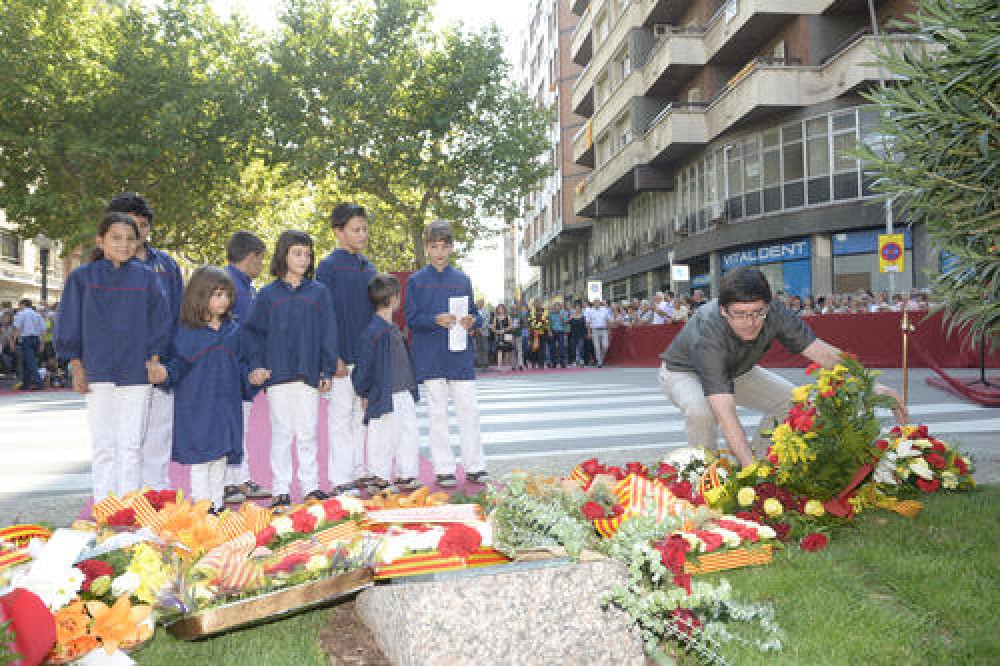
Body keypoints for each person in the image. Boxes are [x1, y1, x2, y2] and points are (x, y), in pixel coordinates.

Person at [657, 267, 908, 468]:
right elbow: (725, 412)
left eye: (757, 312)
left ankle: (765, 463)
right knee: (703, 410)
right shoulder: (707, 329)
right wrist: (748, 470)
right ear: (723, 310)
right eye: (740, 314)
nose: (750, 323)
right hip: (683, 372)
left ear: (768, 305)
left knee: (793, 402)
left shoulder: (775, 312)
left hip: (737, 370)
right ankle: (705, 476)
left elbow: (823, 353)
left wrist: (870, 383)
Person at [55, 212, 171, 501]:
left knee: (131, 445)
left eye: (130, 239)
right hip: (97, 371)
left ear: (139, 242)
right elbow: (69, 323)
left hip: (137, 372)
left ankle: (129, 511)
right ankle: (105, 511)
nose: (124, 244)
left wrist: (155, 359)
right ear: (101, 240)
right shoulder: (81, 279)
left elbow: (161, 321)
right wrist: (77, 367)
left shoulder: (147, 278)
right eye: (116, 237)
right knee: (103, 445)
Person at [242, 230, 339, 508]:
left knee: (308, 432)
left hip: (308, 374)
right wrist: (258, 365)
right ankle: (281, 489)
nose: (303, 259)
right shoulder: (267, 295)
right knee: (282, 433)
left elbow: (328, 332)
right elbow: (253, 333)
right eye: (297, 253)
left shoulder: (319, 293)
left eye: (307, 254)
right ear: (283, 255)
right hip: (278, 375)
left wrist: (326, 369)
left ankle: (310, 486)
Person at [157, 267, 266, 512]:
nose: (223, 301)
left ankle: (216, 506)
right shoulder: (185, 332)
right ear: (199, 295)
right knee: (201, 461)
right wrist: (164, 373)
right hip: (197, 406)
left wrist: (254, 376)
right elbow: (176, 365)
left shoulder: (234, 331)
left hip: (226, 406)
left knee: (220, 459)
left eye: (226, 295)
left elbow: (243, 365)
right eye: (216, 295)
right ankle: (203, 509)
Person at [107, 193, 184, 492]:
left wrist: (172, 363)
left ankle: (157, 498)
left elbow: (178, 315)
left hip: (160, 365)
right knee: (123, 441)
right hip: (120, 369)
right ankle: (122, 502)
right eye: (126, 226)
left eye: (141, 226)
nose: (134, 234)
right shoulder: (101, 270)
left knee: (158, 437)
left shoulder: (165, 265)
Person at [404, 220, 489, 488]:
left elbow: (475, 313)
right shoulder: (416, 281)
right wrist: (434, 319)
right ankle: (443, 468)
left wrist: (472, 321)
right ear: (427, 248)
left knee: (469, 410)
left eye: (444, 246)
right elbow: (411, 319)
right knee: (436, 413)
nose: (439, 251)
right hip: (430, 356)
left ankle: (475, 466)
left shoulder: (463, 279)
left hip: (459, 354)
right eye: (434, 246)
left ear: (451, 247)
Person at [315, 203, 377, 495]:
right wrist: (333, 356)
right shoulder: (327, 268)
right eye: (356, 229)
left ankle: (357, 471)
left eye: (364, 229)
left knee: (359, 416)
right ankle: (340, 478)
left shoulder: (369, 268)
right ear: (338, 232)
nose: (362, 234)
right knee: (340, 417)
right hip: (340, 358)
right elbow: (324, 316)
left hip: (365, 357)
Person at [352, 273, 420, 494]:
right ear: (393, 299)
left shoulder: (392, 327)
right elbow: (363, 366)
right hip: (383, 394)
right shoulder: (373, 331)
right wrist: (364, 391)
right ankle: (379, 477)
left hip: (403, 391)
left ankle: (405, 474)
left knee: (408, 433)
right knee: (381, 436)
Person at [222, 231, 271, 504]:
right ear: (251, 256)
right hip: (235, 369)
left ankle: (239, 478)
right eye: (260, 259)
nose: (261, 265)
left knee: (240, 426)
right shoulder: (233, 287)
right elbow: (244, 333)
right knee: (233, 426)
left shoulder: (244, 287)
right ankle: (230, 482)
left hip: (240, 368)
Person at [12, 299, 45, 390]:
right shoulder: (37, 315)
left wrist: (14, 341)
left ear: (23, 305)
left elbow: (17, 328)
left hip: (26, 339)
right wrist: (42, 343)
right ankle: (26, 383)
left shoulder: (21, 314)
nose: (19, 307)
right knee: (27, 362)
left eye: (20, 305)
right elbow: (43, 330)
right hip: (36, 339)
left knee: (30, 362)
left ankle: (39, 382)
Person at [586, 298, 611, 367]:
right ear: (593, 303)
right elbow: (588, 322)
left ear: (600, 303)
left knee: (605, 346)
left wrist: (609, 330)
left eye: (598, 302)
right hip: (594, 330)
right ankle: (599, 362)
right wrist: (589, 332)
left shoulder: (604, 310)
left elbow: (608, 320)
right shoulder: (590, 311)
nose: (597, 304)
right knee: (596, 347)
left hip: (604, 329)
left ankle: (601, 358)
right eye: (595, 302)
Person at [527, 300, 549, 369]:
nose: (537, 304)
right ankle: (533, 362)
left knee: (542, 348)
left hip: (542, 332)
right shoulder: (530, 312)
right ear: (533, 304)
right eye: (535, 303)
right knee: (533, 348)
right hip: (533, 332)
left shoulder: (544, 311)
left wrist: (543, 326)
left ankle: (541, 363)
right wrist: (532, 327)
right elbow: (529, 321)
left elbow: (546, 321)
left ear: (540, 304)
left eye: (538, 303)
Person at [492, 303, 514, 370]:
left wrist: (504, 330)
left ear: (504, 309)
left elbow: (511, 326)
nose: (500, 310)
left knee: (507, 350)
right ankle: (499, 366)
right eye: (499, 309)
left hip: (507, 335)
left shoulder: (508, 316)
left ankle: (507, 365)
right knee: (499, 350)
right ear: (497, 310)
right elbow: (493, 328)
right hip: (499, 335)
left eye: (502, 308)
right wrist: (497, 331)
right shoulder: (495, 318)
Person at [567, 300, 588, 367]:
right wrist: (569, 319)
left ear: (581, 309)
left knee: (581, 347)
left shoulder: (583, 316)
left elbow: (586, 325)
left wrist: (587, 333)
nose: (577, 309)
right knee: (573, 348)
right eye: (576, 308)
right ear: (574, 309)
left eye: (578, 308)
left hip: (581, 334)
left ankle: (581, 360)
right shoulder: (572, 316)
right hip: (573, 334)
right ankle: (574, 361)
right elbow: (566, 322)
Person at [547, 301, 566, 368]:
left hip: (561, 331)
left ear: (560, 307)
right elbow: (548, 323)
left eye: (558, 307)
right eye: (556, 307)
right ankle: (553, 362)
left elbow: (564, 323)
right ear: (554, 307)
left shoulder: (563, 313)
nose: (557, 308)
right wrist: (549, 331)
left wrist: (562, 318)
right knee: (552, 347)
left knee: (561, 347)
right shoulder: (551, 314)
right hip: (553, 331)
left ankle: (562, 362)